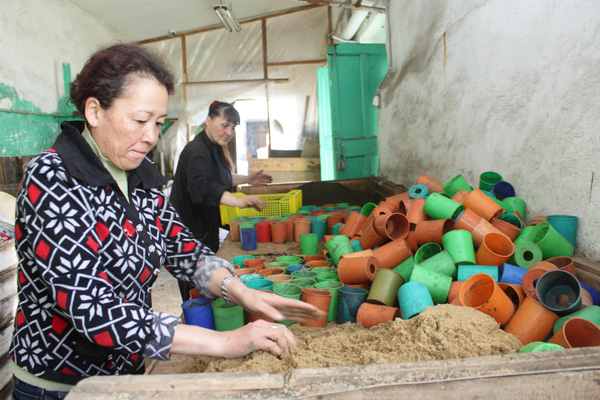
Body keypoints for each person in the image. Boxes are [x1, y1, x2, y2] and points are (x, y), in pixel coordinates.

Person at [9, 43, 321, 400]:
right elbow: (94, 309)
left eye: (158, 123)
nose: (152, 137)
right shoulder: (53, 178)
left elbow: (183, 249)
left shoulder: (140, 174)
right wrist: (224, 341)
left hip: (125, 374)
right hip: (62, 384)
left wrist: (242, 291)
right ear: (94, 110)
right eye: (140, 121)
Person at [169, 101, 273, 301]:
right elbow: (202, 187)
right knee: (194, 291)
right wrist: (238, 201)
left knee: (205, 283)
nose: (229, 132)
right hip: (188, 234)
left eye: (233, 127)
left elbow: (220, 178)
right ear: (208, 120)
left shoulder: (213, 149)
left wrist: (247, 179)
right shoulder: (197, 151)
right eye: (225, 125)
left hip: (203, 228)